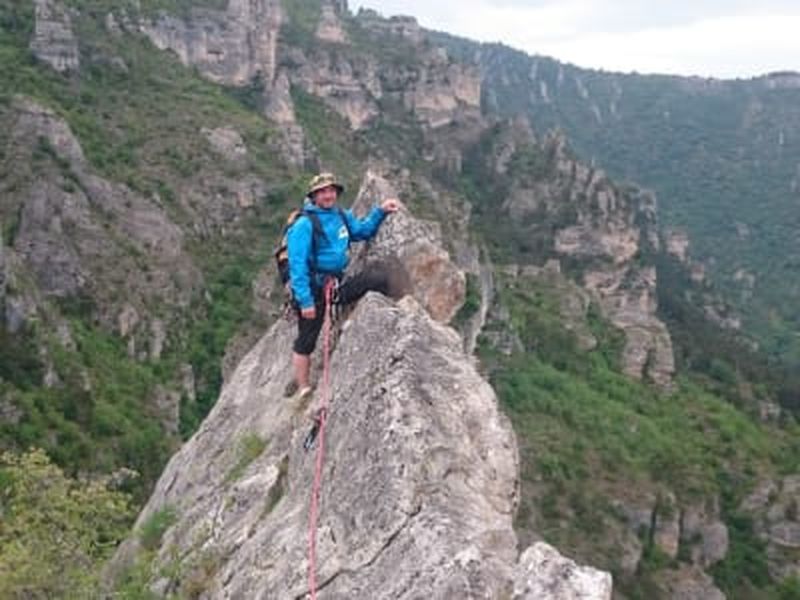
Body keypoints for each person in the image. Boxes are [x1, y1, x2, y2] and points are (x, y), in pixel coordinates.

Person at [286, 172, 401, 401]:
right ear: (314, 196)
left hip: (336, 284)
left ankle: (357, 320)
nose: (328, 195)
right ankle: (303, 387)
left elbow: (361, 232)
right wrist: (305, 301)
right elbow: (296, 266)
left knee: (378, 279)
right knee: (306, 339)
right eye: (322, 192)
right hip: (313, 288)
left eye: (331, 191)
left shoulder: (341, 215)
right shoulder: (304, 225)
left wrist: (381, 211)